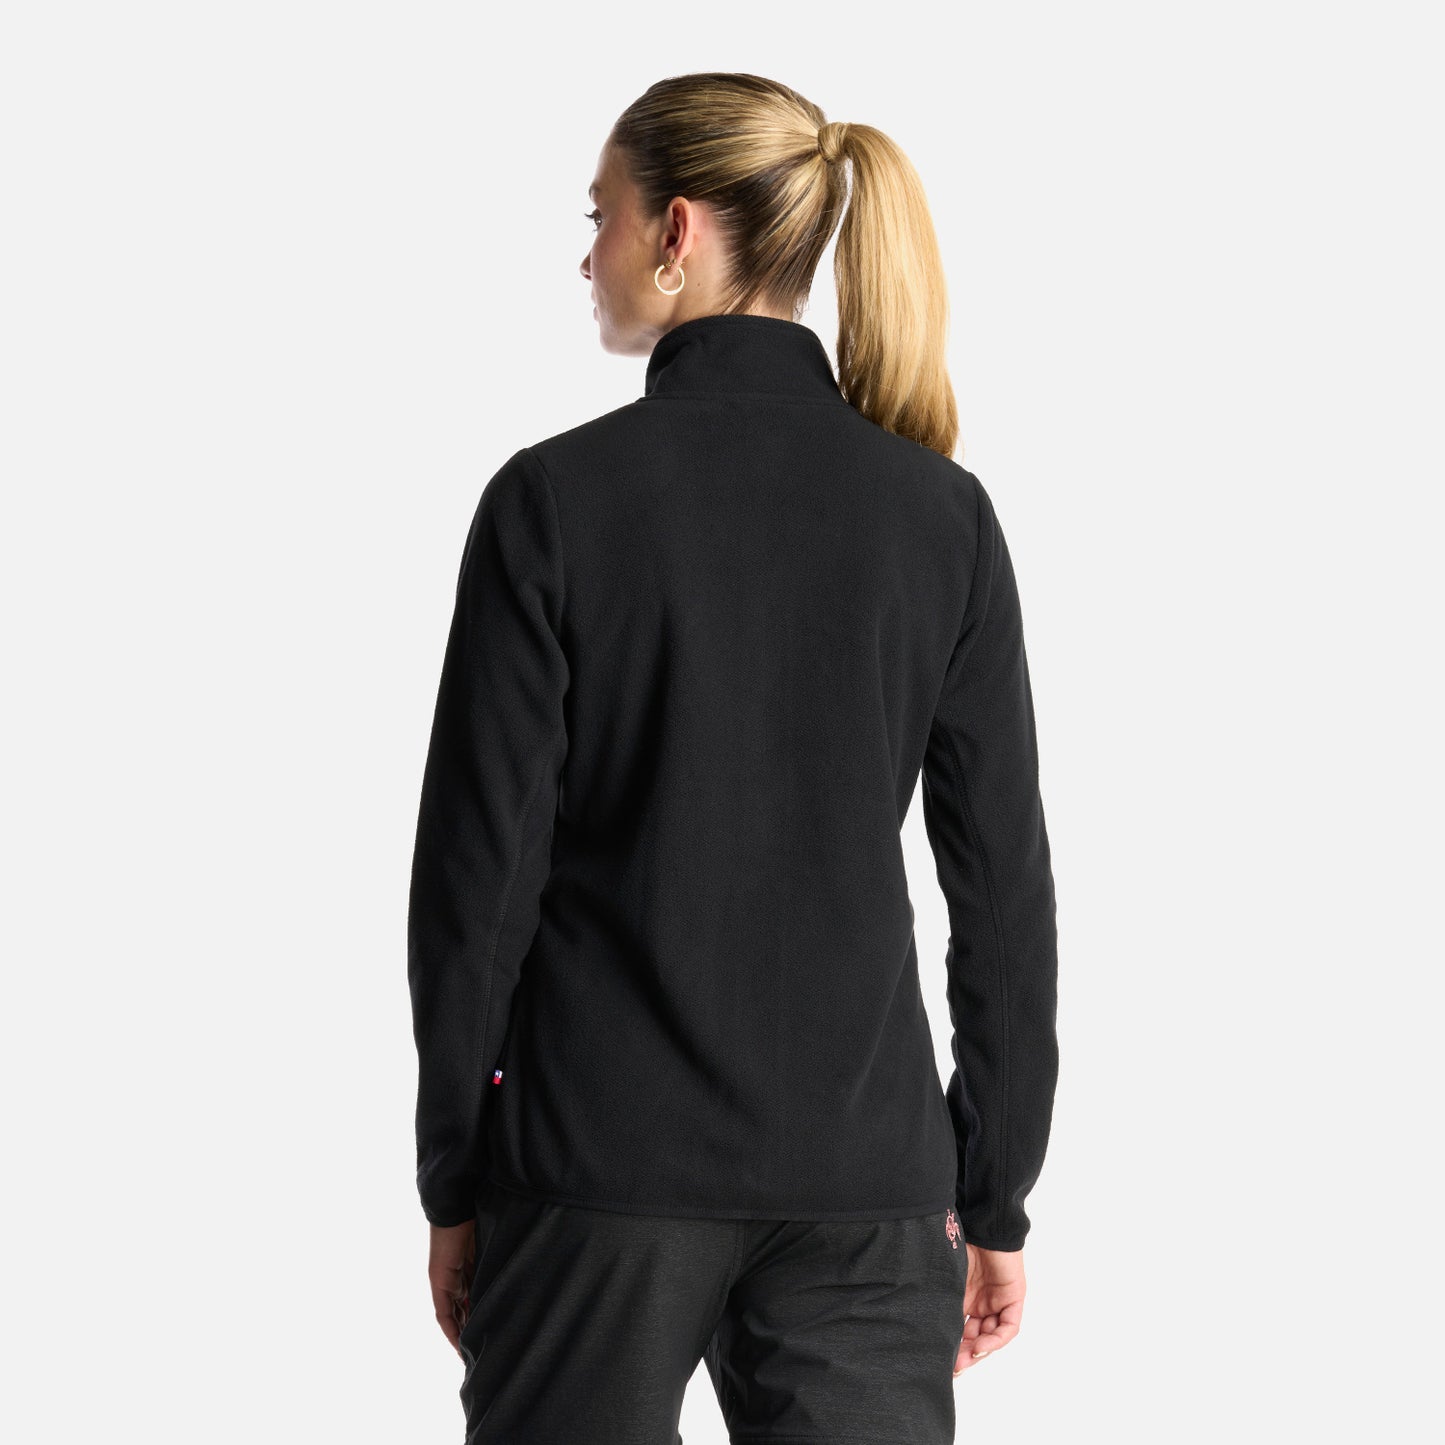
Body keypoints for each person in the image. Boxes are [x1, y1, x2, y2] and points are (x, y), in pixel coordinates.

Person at [407, 71, 1060, 1445]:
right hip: (866, 1186)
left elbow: (477, 888)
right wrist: (992, 1190)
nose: (586, 254)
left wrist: (455, 1179)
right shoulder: (941, 519)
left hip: (593, 1170)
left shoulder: (554, 502)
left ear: (677, 230)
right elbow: (1002, 893)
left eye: (599, 215)